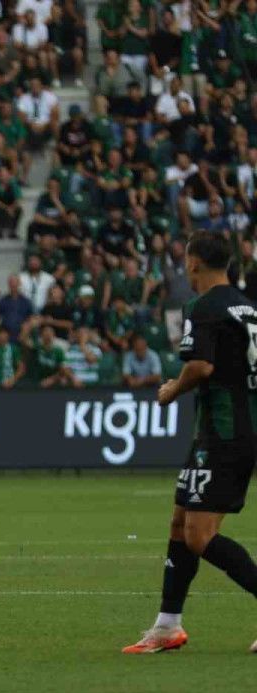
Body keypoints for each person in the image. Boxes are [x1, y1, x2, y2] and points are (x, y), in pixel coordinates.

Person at [122, 232, 257, 655]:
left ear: (194, 262)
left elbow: (200, 366)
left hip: (223, 432)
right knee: (181, 523)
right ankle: (167, 625)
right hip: (230, 429)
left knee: (198, 535)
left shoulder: (203, 307)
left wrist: (171, 390)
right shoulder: (247, 307)